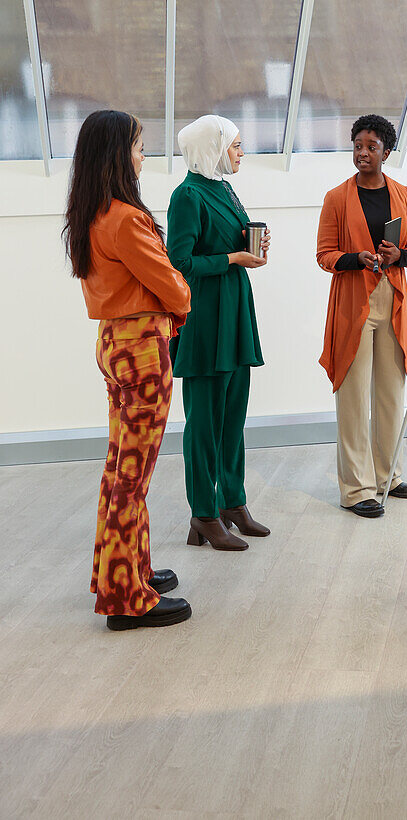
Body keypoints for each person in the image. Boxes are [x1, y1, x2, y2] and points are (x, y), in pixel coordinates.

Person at [63, 110, 192, 631]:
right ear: (119, 153)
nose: (143, 156)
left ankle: (122, 571)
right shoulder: (126, 219)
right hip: (142, 347)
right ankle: (125, 599)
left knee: (120, 467)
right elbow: (173, 286)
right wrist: (180, 298)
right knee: (132, 479)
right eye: (139, 146)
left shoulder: (90, 213)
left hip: (114, 345)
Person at [167, 115, 271, 551]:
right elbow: (180, 262)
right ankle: (203, 513)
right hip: (206, 320)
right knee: (204, 423)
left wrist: (252, 246)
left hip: (233, 313)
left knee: (232, 417)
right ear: (213, 147)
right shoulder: (187, 196)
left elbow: (229, 240)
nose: (241, 152)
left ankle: (233, 502)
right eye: (235, 145)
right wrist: (231, 259)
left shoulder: (223, 187)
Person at [317, 114, 407, 518]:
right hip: (353, 304)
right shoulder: (336, 198)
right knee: (353, 394)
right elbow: (324, 255)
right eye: (358, 145)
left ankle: (389, 476)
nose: (362, 153)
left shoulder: (404, 194)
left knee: (389, 394)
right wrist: (354, 258)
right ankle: (356, 488)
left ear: (387, 152)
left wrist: (401, 255)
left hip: (393, 300)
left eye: (371, 147)